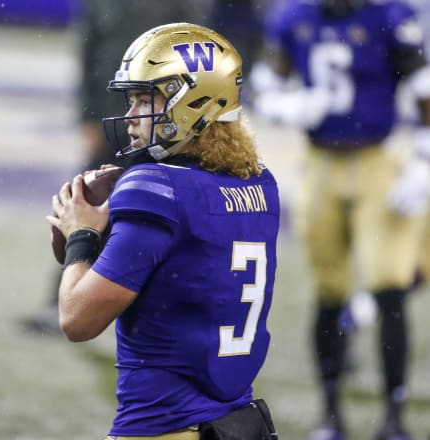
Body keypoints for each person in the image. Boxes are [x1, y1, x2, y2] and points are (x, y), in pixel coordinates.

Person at [48, 23, 280, 439]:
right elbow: (182, 266)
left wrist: (82, 235)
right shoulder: (260, 184)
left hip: (162, 427)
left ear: (192, 102)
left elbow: (77, 319)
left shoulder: (155, 189)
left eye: (144, 99)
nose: (133, 116)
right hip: (236, 425)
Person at [249, 0, 430, 439]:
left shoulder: (389, 16)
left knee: (390, 285)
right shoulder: (296, 18)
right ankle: (330, 412)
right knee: (327, 291)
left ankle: (393, 416)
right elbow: (264, 84)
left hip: (377, 159)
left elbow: (424, 88)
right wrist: (283, 107)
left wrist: (424, 160)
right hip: (320, 162)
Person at [21, 0, 206, 335]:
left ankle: (158, 309)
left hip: (163, 126)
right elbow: (89, 51)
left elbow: (197, 56)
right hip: (114, 120)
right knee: (85, 206)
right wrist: (89, 115)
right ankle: (63, 299)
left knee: (159, 218)